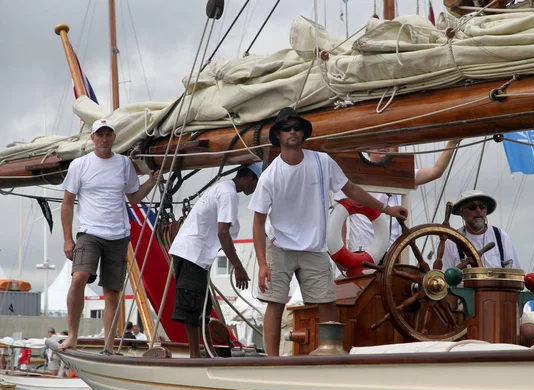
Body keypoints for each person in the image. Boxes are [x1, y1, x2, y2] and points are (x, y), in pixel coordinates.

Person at [249, 107, 408, 356]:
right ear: (278, 135)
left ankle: (332, 352)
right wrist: (262, 263)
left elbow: (351, 189)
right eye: (287, 128)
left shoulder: (322, 162)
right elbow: (258, 222)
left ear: (303, 133)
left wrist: (386, 209)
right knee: (275, 302)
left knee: (327, 302)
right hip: (279, 245)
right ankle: (271, 360)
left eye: (297, 128)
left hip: (314, 247)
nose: (292, 131)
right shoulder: (270, 176)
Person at [60, 118, 161, 353]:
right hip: (89, 232)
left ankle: (109, 345)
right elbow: (67, 203)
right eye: (100, 135)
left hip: (118, 234)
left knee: (112, 291)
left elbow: (134, 197)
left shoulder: (124, 164)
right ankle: (72, 336)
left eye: (108, 135)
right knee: (79, 277)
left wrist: (151, 182)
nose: (104, 139)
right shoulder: (80, 164)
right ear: (92, 138)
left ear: (114, 137)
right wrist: (67, 238)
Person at [169, 163, 262, 358]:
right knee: (192, 305)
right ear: (249, 178)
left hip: (195, 255)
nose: (256, 189)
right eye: (257, 182)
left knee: (203, 306)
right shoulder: (228, 194)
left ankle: (208, 351)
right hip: (192, 254)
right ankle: (195, 355)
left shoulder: (224, 189)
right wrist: (237, 266)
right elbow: (223, 232)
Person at [338, 141, 460, 254]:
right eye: (379, 143)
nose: (385, 146)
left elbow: (435, 172)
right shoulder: (350, 175)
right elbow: (339, 218)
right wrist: (341, 252)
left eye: (389, 143)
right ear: (367, 148)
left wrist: (453, 142)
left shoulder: (402, 173)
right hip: (362, 250)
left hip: (393, 251)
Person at [442, 190, 521, 270]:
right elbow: (444, 277)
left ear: (486, 211)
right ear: (461, 212)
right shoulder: (452, 242)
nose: (478, 210)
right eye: (472, 207)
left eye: (482, 206)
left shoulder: (501, 236)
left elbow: (515, 272)